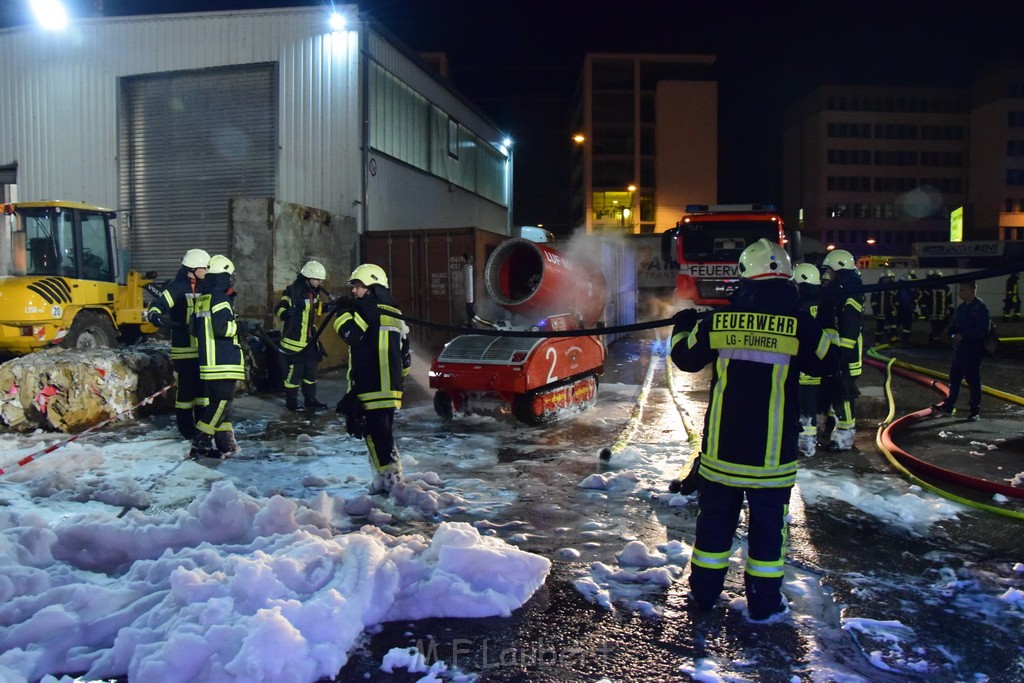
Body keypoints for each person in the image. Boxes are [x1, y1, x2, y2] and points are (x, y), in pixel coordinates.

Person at [670, 238, 832, 621]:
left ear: (743, 276)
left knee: (712, 532)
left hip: (722, 456)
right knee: (767, 536)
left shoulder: (718, 321)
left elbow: (684, 359)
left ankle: (704, 598)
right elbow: (828, 361)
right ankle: (763, 604)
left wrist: (682, 325)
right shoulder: (798, 324)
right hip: (772, 460)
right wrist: (809, 316)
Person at [332, 264, 411, 494]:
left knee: (376, 436)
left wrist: (341, 313)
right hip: (391, 388)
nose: (354, 291)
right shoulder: (395, 312)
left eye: (358, 286)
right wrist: (398, 380)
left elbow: (352, 335)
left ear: (372, 286)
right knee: (385, 436)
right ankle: (393, 479)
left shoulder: (367, 308)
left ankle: (389, 485)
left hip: (370, 385)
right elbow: (406, 354)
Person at [146, 248, 211, 440]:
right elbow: (158, 305)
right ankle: (186, 429)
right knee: (186, 391)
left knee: (203, 392)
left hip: (203, 349)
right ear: (193, 268)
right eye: (204, 268)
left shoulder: (205, 287)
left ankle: (201, 427)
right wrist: (156, 316)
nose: (206, 271)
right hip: (184, 349)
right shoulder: (176, 287)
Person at [190, 255, 248, 458]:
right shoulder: (221, 299)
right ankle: (200, 442)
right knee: (221, 404)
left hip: (208, 361)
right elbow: (222, 328)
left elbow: (193, 329)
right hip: (222, 361)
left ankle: (224, 442)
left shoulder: (203, 298)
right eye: (230, 276)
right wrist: (242, 326)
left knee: (222, 404)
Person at [817, 249, 863, 451]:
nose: (829, 275)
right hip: (839, 355)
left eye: (831, 271)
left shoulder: (849, 298)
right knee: (836, 393)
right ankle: (835, 429)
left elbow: (849, 332)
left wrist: (840, 357)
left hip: (846, 357)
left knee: (844, 395)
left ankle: (845, 437)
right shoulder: (843, 293)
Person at [275, 260, 329, 411]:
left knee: (311, 372)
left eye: (320, 280)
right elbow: (279, 309)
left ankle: (310, 400)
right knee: (294, 373)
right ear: (308, 277)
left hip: (310, 341)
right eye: (317, 279)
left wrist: (331, 307)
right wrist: (285, 313)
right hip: (294, 342)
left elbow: (317, 309)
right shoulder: (293, 291)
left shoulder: (314, 293)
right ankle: (291, 402)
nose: (319, 282)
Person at [933, 280, 991, 422]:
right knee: (954, 379)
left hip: (973, 350)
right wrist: (949, 331)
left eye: (963, 290)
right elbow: (956, 325)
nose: (960, 293)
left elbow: (983, 330)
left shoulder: (980, 308)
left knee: (973, 381)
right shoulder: (962, 308)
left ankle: (974, 411)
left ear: (972, 290)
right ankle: (949, 405)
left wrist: (963, 335)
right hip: (959, 349)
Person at [794, 263, 824, 457]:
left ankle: (805, 445)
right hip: (816, 363)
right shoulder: (822, 303)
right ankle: (808, 442)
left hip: (801, 366)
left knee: (802, 407)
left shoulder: (801, 306)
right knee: (810, 405)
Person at [924, 270, 953, 346]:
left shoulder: (929, 288)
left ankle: (933, 337)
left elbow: (949, 300)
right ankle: (935, 341)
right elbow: (925, 300)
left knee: (941, 326)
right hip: (937, 312)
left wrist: (950, 309)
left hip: (938, 312)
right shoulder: (945, 288)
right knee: (936, 326)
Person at [871, 270, 898, 344]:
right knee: (879, 327)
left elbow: (895, 299)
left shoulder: (892, 287)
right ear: (881, 279)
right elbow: (873, 300)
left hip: (890, 310)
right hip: (880, 311)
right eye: (885, 278)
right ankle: (877, 341)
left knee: (893, 325)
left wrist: (896, 308)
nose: (886, 280)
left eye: (888, 278)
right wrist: (875, 309)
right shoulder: (877, 288)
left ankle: (893, 338)